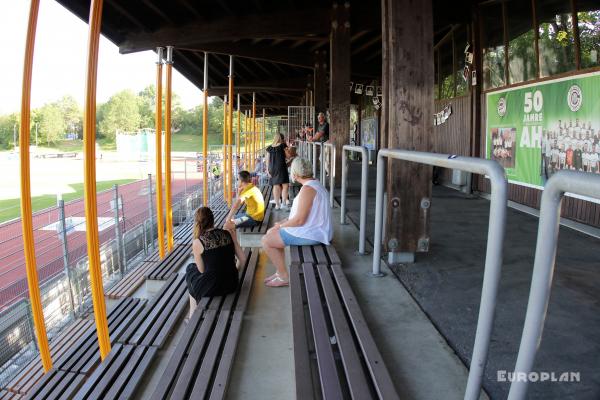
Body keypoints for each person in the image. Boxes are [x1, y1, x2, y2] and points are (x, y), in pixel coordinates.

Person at [261, 158, 333, 287]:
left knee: (266, 241)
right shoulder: (314, 184)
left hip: (312, 234)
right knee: (272, 234)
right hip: (315, 230)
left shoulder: (308, 189)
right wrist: (283, 222)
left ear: (295, 174)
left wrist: (281, 225)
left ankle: (283, 276)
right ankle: (280, 271)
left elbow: (300, 220)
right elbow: (304, 215)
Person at [186, 207, 245, 317]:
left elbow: (202, 270)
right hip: (232, 283)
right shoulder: (226, 234)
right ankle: (192, 314)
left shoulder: (198, 242)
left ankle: (192, 314)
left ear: (198, 223)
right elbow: (243, 260)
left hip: (214, 287)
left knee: (190, 270)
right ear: (213, 220)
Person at [266, 133, 290, 210]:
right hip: (281, 167)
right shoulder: (283, 145)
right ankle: (283, 204)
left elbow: (267, 160)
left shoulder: (269, 148)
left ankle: (277, 204)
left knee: (276, 186)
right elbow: (288, 156)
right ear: (281, 138)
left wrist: (267, 170)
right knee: (285, 186)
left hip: (272, 168)